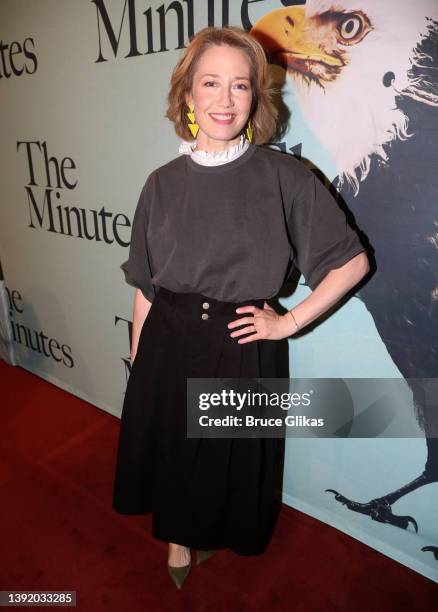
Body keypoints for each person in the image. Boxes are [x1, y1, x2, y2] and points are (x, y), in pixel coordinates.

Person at [112, 25, 369, 590]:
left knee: (233, 464)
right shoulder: (160, 184)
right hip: (169, 340)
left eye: (240, 86)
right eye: (211, 83)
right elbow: (145, 287)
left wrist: (290, 322)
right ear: (187, 95)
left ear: (256, 96)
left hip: (242, 345)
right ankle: (178, 541)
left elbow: (351, 262)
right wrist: (138, 361)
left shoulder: (285, 177)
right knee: (175, 450)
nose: (225, 100)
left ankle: (220, 535)